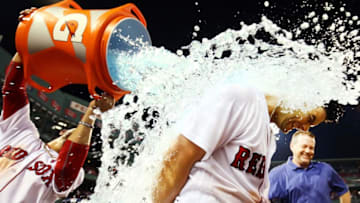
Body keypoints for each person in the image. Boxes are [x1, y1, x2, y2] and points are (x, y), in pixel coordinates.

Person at [152, 83, 331, 203]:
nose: (305, 128)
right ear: (302, 95)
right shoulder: (241, 98)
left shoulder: (268, 136)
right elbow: (179, 156)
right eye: (310, 118)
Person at [0, 50, 115, 203]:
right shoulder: (22, 132)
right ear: (63, 131)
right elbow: (12, 91)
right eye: (75, 133)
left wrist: (91, 112)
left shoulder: (75, 174)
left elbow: (68, 166)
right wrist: (24, 50)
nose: (76, 135)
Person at [268, 131, 351, 203]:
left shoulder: (325, 169)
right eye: (304, 146)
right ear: (292, 146)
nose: (308, 151)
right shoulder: (277, 174)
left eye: (311, 148)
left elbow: (344, 190)